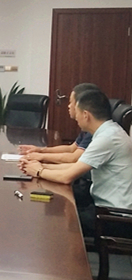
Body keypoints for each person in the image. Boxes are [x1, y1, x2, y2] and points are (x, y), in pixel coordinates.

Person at [19, 89, 132, 237]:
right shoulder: (108, 132)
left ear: (85, 115)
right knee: (56, 207)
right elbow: (76, 167)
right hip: (105, 209)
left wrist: (39, 171)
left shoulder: (107, 138)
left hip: (115, 218)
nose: (75, 117)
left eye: (77, 112)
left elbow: (67, 177)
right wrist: (39, 166)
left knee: (54, 223)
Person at [18, 83, 99, 163]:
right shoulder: (87, 128)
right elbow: (71, 149)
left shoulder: (93, 131)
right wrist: (40, 150)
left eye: (71, 102)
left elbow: (73, 158)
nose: (69, 106)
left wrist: (41, 157)